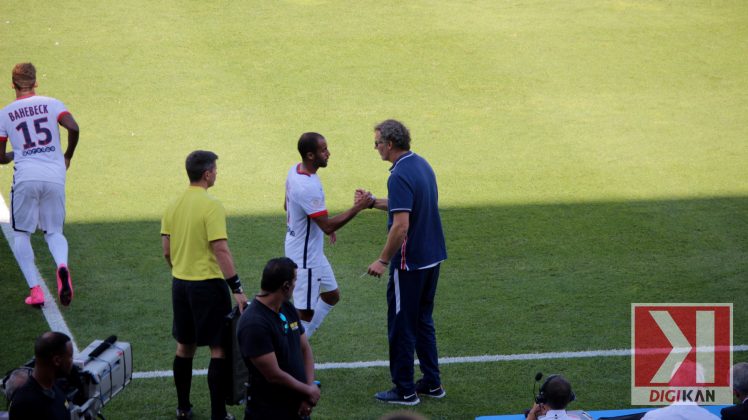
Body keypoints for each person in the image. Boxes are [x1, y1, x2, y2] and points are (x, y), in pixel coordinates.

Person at [358, 119, 447, 405]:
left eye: (378, 143)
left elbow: (401, 225)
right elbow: (408, 202)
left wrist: (383, 260)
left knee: (401, 326)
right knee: (423, 321)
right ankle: (432, 383)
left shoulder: (398, 175)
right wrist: (373, 202)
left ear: (390, 143)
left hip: (409, 264)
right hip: (432, 258)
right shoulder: (421, 164)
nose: (376, 148)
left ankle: (405, 390)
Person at [161, 150, 248, 420]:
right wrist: (237, 288)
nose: (217, 174)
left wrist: (180, 271)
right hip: (208, 287)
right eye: (215, 170)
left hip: (181, 284)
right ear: (207, 173)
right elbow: (220, 249)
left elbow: (166, 250)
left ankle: (183, 407)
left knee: (184, 346)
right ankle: (218, 414)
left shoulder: (173, 204)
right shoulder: (212, 206)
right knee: (218, 348)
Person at [0, 62, 79, 307]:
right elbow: (73, 127)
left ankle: (36, 290)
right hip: (55, 175)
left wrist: (17, 154)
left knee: (21, 233)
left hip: (26, 177)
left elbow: (0, 157)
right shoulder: (53, 104)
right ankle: (62, 266)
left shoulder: (5, 113)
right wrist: (67, 155)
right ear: (35, 82)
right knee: (54, 231)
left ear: (12, 84)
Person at [284, 132, 373, 338]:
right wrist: (357, 207)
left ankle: (302, 343)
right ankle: (290, 354)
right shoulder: (307, 186)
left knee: (331, 295)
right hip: (304, 257)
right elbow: (327, 226)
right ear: (310, 155)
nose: (328, 153)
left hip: (308, 248)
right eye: (323, 150)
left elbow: (286, 205)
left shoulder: (294, 171)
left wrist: (320, 226)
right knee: (303, 313)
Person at [237, 257, 320, 420]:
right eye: (295, 280)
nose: (296, 284)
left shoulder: (287, 307)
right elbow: (273, 374)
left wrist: (307, 392)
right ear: (286, 286)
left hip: (297, 407)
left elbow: (305, 349)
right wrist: (307, 390)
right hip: (270, 411)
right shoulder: (254, 324)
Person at [8, 331, 73, 420]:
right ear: (57, 361)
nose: (72, 361)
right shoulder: (24, 405)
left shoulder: (54, 388)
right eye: (70, 356)